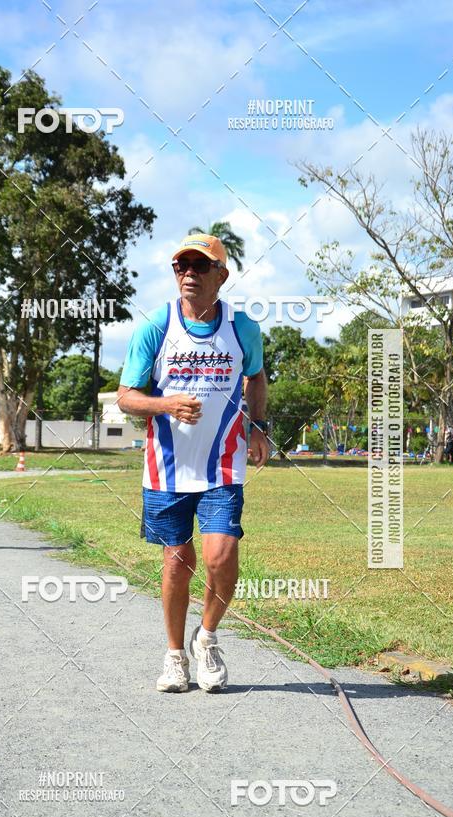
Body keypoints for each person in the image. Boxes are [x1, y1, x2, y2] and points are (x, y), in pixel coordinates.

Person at [117, 234, 269, 693]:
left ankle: (207, 637)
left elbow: (256, 376)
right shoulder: (155, 328)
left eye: (200, 266)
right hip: (166, 468)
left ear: (221, 276)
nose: (188, 273)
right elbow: (126, 397)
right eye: (181, 265)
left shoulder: (242, 328)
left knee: (221, 555)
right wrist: (166, 406)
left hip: (223, 464)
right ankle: (175, 655)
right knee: (177, 562)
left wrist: (259, 426)